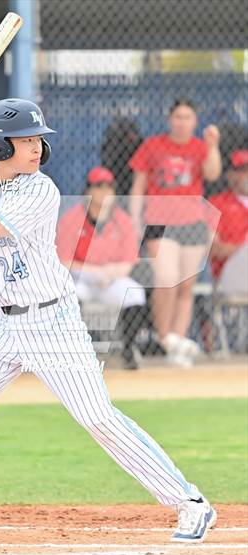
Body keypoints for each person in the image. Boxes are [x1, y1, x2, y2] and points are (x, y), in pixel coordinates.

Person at [0, 98, 216, 544]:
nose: (37, 147)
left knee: (97, 416)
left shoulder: (40, 190)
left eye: (37, 139)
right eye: (26, 140)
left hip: (51, 321)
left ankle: (190, 504)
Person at [129, 99, 221, 368]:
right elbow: (138, 186)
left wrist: (213, 145)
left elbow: (213, 174)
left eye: (188, 117)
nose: (182, 122)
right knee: (166, 278)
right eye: (178, 117)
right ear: (170, 119)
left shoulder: (200, 147)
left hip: (192, 222)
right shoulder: (152, 146)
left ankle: (177, 343)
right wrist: (136, 222)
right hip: (160, 220)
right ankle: (165, 336)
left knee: (185, 286)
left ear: (195, 121)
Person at [56, 166, 145, 369]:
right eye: (98, 187)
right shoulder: (72, 218)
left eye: (108, 187)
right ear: (88, 191)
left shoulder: (123, 220)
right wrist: (95, 273)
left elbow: (128, 261)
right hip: (81, 277)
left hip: (111, 278)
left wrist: (111, 274)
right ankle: (75, 351)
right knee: (70, 293)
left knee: (135, 293)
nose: (104, 192)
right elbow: (64, 261)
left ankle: (129, 350)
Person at [209, 149, 248, 295]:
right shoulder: (217, 203)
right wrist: (243, 251)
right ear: (230, 175)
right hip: (230, 272)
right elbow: (214, 248)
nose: (246, 175)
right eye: (242, 170)